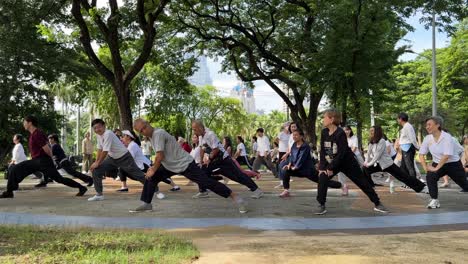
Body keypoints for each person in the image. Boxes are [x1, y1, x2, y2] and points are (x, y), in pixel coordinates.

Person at [132, 118, 248, 213]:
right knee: (151, 177)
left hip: (185, 164)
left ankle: (236, 197)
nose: (144, 131)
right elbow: (161, 157)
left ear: (148, 123)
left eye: (144, 127)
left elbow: (159, 155)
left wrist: (152, 169)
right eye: (141, 131)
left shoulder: (158, 134)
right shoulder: (152, 136)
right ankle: (146, 203)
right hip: (171, 165)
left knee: (206, 182)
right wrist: (153, 171)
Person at [317, 109, 388, 215]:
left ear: (331, 119)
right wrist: (322, 168)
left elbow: (341, 154)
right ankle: (321, 204)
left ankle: (377, 203)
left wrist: (330, 168)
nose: (323, 119)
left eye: (325, 117)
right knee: (322, 177)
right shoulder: (324, 132)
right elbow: (323, 151)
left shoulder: (340, 133)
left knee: (362, 182)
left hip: (347, 162)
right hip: (333, 162)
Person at [1, 116, 87, 198]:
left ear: (30, 123)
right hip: (39, 161)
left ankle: (9, 192)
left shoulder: (37, 133)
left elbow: (47, 148)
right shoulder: (33, 134)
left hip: (42, 161)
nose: (23, 124)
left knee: (15, 169)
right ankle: (82, 188)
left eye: (24, 122)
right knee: (59, 179)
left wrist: (52, 160)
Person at [191, 120, 264, 199]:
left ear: (200, 128)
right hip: (216, 160)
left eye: (195, 129)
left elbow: (216, 150)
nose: (194, 131)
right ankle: (203, 191)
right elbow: (202, 148)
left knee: (238, 176)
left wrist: (209, 159)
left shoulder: (210, 134)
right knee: (202, 169)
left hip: (224, 159)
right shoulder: (201, 136)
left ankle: (257, 190)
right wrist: (201, 161)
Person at [87, 119, 146, 201]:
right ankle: (99, 194)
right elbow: (99, 149)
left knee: (138, 174)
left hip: (124, 157)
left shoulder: (108, 133)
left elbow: (105, 151)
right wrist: (96, 162)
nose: (97, 130)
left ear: (104, 126)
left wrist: (98, 162)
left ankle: (154, 189)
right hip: (112, 158)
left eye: (99, 127)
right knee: (96, 170)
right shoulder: (98, 135)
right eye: (95, 128)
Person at [362, 126, 427, 195]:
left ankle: (422, 187)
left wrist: (369, 164)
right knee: (365, 169)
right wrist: (366, 162)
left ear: (377, 132)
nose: (371, 132)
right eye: (370, 131)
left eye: (372, 131)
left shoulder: (382, 141)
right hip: (378, 164)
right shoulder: (371, 142)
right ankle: (371, 186)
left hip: (387, 164)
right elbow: (368, 154)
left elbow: (377, 155)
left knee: (403, 177)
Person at [419, 117, 468, 209]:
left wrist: (436, 168)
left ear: (438, 125)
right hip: (437, 162)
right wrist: (426, 168)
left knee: (464, 184)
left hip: (453, 164)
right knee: (430, 176)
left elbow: (446, 156)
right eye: (426, 125)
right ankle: (434, 200)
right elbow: (421, 154)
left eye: (429, 124)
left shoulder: (447, 137)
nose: (427, 127)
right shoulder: (427, 138)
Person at [278, 130, 342, 198]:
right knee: (285, 171)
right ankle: (286, 191)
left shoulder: (305, 146)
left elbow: (301, 158)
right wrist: (289, 164)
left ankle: (340, 185)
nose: (294, 137)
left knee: (322, 181)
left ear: (301, 136)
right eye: (293, 135)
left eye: (296, 135)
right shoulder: (294, 144)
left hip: (307, 170)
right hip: (297, 169)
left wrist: (295, 167)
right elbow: (292, 156)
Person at [118, 130, 180, 195]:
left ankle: (175, 186)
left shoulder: (132, 145)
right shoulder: (130, 145)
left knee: (158, 176)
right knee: (122, 169)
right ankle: (124, 187)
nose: (122, 138)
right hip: (140, 166)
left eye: (123, 136)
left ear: (128, 137)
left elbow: (129, 158)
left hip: (144, 166)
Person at [397, 113, 420, 180]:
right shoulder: (405, 126)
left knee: (409, 166)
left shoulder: (408, 126)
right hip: (405, 148)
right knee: (403, 167)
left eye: (398, 119)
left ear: (401, 119)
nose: (397, 120)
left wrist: (417, 147)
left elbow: (413, 138)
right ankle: (408, 182)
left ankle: (414, 182)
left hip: (408, 148)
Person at [276, 122, 299, 188]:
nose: (292, 128)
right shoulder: (290, 135)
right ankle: (283, 183)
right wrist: (286, 153)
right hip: (286, 153)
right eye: (291, 127)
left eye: (294, 127)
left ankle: (285, 182)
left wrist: (287, 153)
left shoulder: (296, 134)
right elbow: (290, 146)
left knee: (284, 167)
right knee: (281, 165)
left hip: (295, 155)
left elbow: (296, 145)